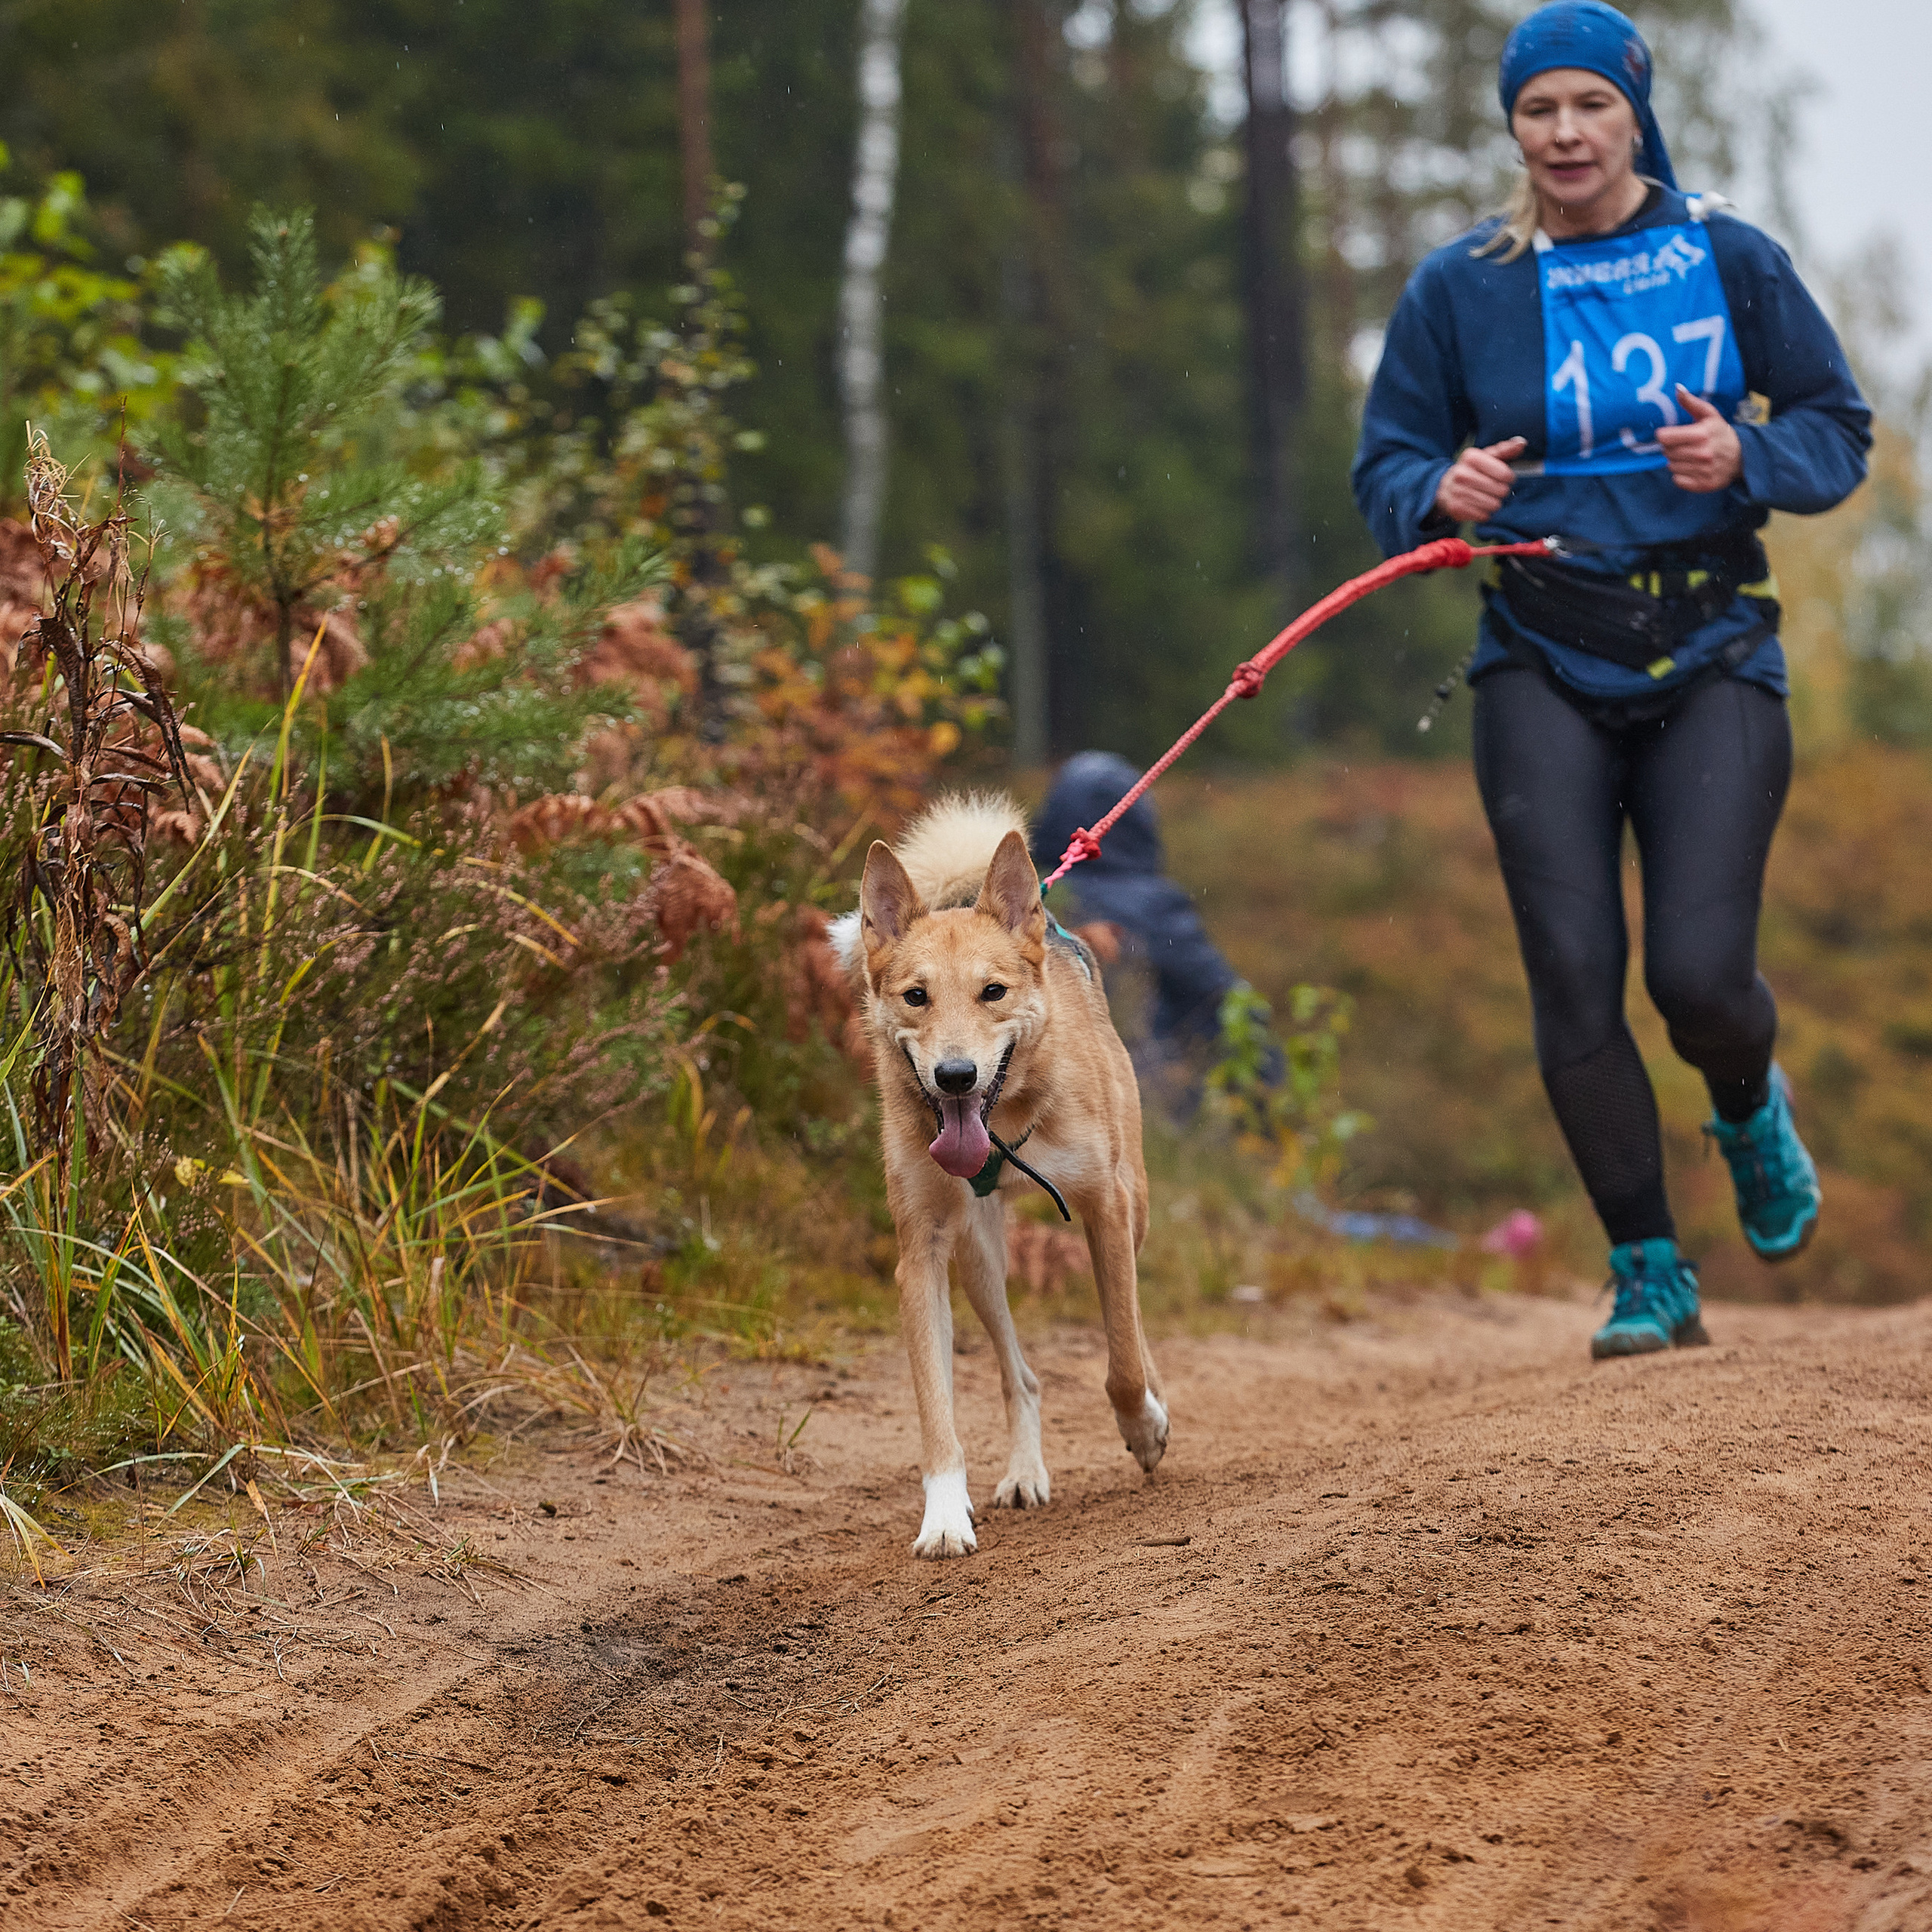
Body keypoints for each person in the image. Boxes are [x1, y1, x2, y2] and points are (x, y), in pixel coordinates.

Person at [1350, 1, 1870, 1361]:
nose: (1567, 132)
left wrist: (1748, 459)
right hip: (1540, 654)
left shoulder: (1727, 255)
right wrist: (1439, 490)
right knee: (1574, 976)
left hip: (1712, 649)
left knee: (1700, 979)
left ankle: (1749, 1108)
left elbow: (1838, 428)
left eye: (1592, 105)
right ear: (1512, 127)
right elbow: (1387, 462)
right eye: (1540, 109)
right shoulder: (1461, 287)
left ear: (1636, 117)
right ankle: (1648, 1268)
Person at [1033, 751, 1247, 1114]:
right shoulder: (1155, 906)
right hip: (1136, 1097)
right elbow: (1226, 1002)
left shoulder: (1028, 896)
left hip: (1035, 1101)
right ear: (1139, 820)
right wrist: (1269, 1108)